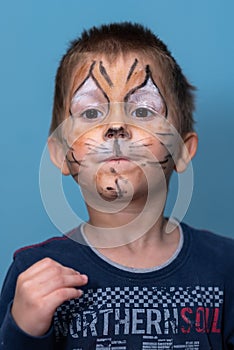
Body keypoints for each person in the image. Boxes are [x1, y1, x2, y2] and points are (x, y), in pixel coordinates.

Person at [0, 22, 234, 350]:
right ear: (62, 154)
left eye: (142, 110)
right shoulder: (34, 273)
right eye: (92, 112)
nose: (116, 127)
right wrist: (24, 330)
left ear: (181, 150)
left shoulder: (226, 267)